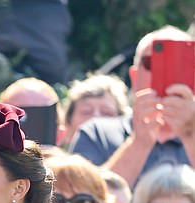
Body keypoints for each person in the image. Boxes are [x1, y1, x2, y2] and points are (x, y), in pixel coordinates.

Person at [69, 25, 195, 187]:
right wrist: (139, 142)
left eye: (182, 64)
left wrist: (190, 136)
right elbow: (85, 202)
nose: (162, 71)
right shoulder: (96, 133)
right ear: (134, 77)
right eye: (151, 63)